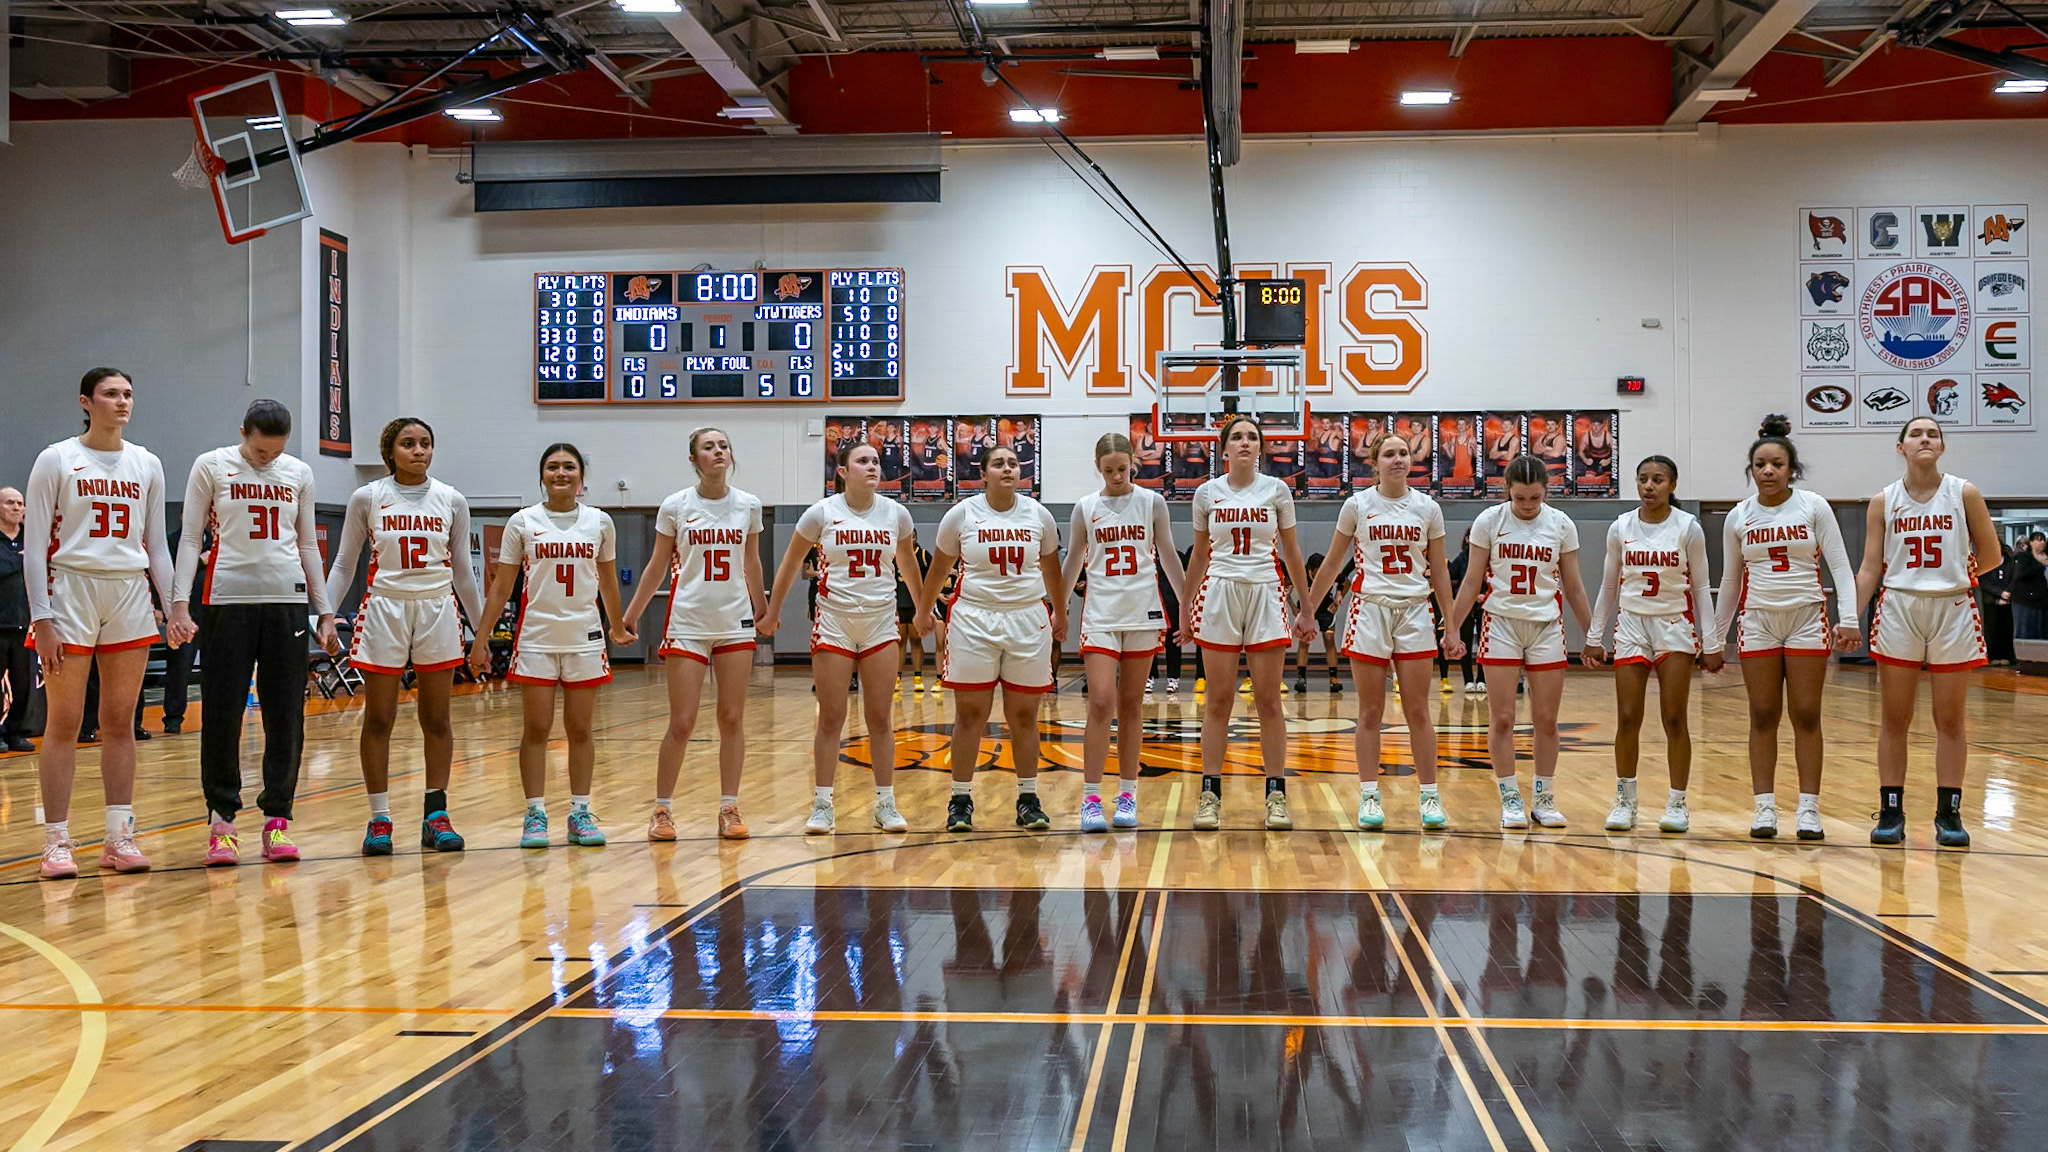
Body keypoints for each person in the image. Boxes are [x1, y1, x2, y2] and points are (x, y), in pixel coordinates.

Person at [25, 368, 182, 879]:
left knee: (120, 721)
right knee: (65, 722)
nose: (122, 402)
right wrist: (42, 618)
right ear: (85, 402)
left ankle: (119, 837)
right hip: (70, 588)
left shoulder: (147, 463)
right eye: (111, 394)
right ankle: (56, 842)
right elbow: (33, 548)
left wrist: (174, 606)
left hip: (128, 591)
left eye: (128, 394)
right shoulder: (56, 458)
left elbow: (156, 546)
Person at [170, 399, 338, 866]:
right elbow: (190, 538)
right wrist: (179, 603)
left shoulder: (298, 473)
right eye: (261, 450)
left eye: (276, 451)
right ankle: (222, 822)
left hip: (286, 602)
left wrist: (324, 611)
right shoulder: (211, 465)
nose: (268, 458)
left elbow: (307, 543)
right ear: (243, 433)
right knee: (221, 713)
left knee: (286, 715)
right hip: (226, 600)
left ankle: (277, 821)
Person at [324, 417, 481, 855]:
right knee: (378, 719)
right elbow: (344, 564)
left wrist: (482, 630)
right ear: (390, 451)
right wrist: (325, 614)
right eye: (409, 443)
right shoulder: (368, 497)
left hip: (436, 607)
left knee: (438, 719)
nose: (419, 451)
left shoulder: (451, 499)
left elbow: (463, 574)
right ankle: (379, 819)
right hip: (385, 606)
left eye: (425, 443)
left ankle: (436, 815)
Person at [1298, 430, 1462, 830]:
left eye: (1404, 453)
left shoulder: (1428, 508)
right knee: (1370, 711)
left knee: (1418, 710)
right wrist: (1308, 611)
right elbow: (1332, 563)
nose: (1398, 459)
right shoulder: (1357, 505)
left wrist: (1452, 624)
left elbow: (1440, 571)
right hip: (1370, 609)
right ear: (1374, 464)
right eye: (1389, 454)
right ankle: (1369, 795)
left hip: (1415, 610)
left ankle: (1430, 795)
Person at [1853, 417, 2003, 847]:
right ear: (1900, 446)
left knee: (1950, 719)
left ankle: (1949, 813)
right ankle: (1891, 810)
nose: (1925, 439)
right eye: (1916, 434)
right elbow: (1870, 567)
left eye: (1932, 434)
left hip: (1951, 606)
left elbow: (1992, 555)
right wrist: (1848, 617)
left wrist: (1957, 574)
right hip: (1899, 605)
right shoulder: (1884, 501)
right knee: (1894, 718)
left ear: (1942, 446)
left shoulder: (1964, 493)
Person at [1712, 415, 1861, 841]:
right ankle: (1764, 807)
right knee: (1762, 715)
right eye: (1760, 465)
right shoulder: (1739, 516)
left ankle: (1809, 809)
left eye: (1777, 464)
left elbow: (1840, 566)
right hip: (1758, 620)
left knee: (1806, 714)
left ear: (1791, 468)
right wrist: (1715, 639)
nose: (1768, 471)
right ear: (1751, 470)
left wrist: (1849, 618)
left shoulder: (1813, 506)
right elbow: (1730, 580)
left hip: (1806, 618)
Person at [467, 443, 623, 849]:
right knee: (536, 729)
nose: (561, 473)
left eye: (569, 466)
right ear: (542, 475)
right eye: (553, 467)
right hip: (536, 636)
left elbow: (608, 582)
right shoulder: (522, 522)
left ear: (581, 477)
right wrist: (480, 640)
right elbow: (502, 587)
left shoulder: (600, 522)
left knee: (581, 729)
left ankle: (580, 812)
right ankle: (535, 814)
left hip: (584, 637)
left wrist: (618, 626)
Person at [614, 427, 765, 841]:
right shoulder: (676, 505)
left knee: (731, 718)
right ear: (693, 459)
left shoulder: (748, 505)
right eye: (708, 447)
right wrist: (630, 615)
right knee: (681, 722)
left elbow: (752, 563)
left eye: (723, 446)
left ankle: (729, 807)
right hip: (688, 622)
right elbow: (656, 566)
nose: (718, 452)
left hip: (734, 622)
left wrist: (763, 610)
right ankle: (662, 809)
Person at [762, 441, 919, 835]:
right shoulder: (821, 513)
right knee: (831, 717)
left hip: (880, 622)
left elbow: (907, 563)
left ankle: (885, 803)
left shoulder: (896, 514)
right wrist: (773, 611)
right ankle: (822, 804)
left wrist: (923, 607)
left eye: (876, 461)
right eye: (862, 461)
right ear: (844, 471)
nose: (873, 466)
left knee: (880, 718)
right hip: (834, 620)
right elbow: (790, 563)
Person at [913, 445, 1063, 833]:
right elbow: (939, 568)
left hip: (1027, 618)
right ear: (983, 474)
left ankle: (1028, 799)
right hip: (974, 618)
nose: (1007, 469)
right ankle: (960, 800)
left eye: (1013, 463)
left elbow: (1052, 570)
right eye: (998, 464)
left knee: (1024, 716)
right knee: (970, 715)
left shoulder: (1039, 515)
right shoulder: (961, 514)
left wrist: (1061, 613)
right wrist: (923, 611)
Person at [1449, 454, 1594, 829]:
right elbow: (1471, 581)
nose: (1528, 505)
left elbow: (1574, 586)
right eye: (1520, 498)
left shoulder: (1561, 524)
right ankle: (1510, 798)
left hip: (1545, 625)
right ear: (1507, 491)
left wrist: (1592, 635)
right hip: (1501, 624)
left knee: (1546, 720)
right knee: (1502, 718)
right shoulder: (1489, 521)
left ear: (1546, 492)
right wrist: (1452, 628)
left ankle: (1544, 799)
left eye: (1535, 498)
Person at [1183, 415, 1311, 831]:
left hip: (1265, 591)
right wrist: (1185, 606)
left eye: (1252, 437)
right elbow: (1198, 555)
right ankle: (1209, 795)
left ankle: (1276, 795)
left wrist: (1306, 607)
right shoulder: (1206, 493)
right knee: (1218, 701)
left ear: (1260, 448)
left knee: (1269, 701)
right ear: (1224, 449)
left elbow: (1292, 552)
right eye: (1236, 437)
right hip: (1219, 592)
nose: (1244, 442)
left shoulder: (1277, 490)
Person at [1582, 455, 1720, 834]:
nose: (1649, 486)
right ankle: (1625, 801)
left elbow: (1700, 588)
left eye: (1658, 479)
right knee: (1628, 717)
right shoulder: (1621, 526)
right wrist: (1594, 636)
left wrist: (1712, 642)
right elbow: (1609, 585)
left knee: (1674, 718)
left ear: (1672, 485)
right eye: (1643, 479)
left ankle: (1677, 803)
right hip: (1631, 625)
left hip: (1674, 625)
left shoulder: (1688, 528)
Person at [1061, 433, 1185, 832]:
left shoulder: (1152, 502)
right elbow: (1073, 560)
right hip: (1100, 613)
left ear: (1133, 462)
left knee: (1131, 705)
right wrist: (1059, 607)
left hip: (1143, 612)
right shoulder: (1085, 507)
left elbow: (1168, 554)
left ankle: (1128, 794)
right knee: (1100, 702)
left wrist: (1187, 607)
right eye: (1108, 470)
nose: (1116, 476)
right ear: (1098, 468)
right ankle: (1091, 798)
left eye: (1122, 468)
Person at [0, 486, 34, 752]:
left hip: (26, 624)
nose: (16, 508)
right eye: (10, 503)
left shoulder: (31, 540)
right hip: (1, 624)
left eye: (20, 503)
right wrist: (20, 561)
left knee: (23, 684)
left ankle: (16, 732)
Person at [1290, 553, 1342, 695]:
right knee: (1304, 641)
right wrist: (1293, 607)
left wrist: (1338, 597)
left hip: (1326, 609)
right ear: (1310, 570)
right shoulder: (1301, 573)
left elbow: (1344, 581)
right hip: (1307, 610)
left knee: (1329, 639)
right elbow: (1287, 587)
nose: (1319, 576)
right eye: (1316, 573)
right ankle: (1301, 678)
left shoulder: (1329, 572)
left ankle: (1334, 678)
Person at [1446, 530, 1481, 691]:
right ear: (1467, 538)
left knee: (1483, 644)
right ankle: (1468, 680)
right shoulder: (1462, 557)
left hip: (1483, 605)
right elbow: (1449, 578)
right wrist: (1459, 595)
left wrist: (1483, 595)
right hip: (1466, 606)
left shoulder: (1486, 557)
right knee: (1464, 642)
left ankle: (1482, 680)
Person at [2013, 532, 2048, 640]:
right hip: (2026, 601)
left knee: (2041, 633)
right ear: (2031, 542)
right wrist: (2040, 565)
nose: (2042, 542)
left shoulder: (2046, 556)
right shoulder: (2024, 557)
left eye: (2043, 540)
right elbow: (2021, 574)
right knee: (2026, 632)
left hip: (2043, 601)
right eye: (2038, 539)